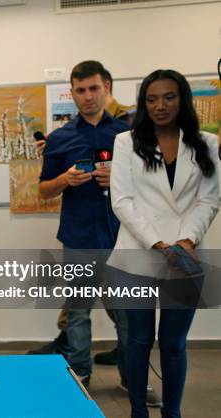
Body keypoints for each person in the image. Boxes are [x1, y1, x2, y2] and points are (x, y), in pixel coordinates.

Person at [109, 69, 219, 418]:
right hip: (137, 255)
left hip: (186, 254)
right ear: (143, 103)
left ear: (182, 99)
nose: (160, 105)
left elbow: (209, 199)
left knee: (173, 344)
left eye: (169, 97)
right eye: (152, 98)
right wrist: (159, 244)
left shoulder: (206, 143)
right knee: (138, 341)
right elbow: (122, 201)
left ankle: (172, 412)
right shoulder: (127, 142)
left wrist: (186, 240)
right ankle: (138, 411)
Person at [36, 60, 129, 389]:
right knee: (77, 313)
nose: (88, 96)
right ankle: (80, 375)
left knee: (127, 314)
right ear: (72, 94)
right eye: (80, 90)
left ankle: (133, 378)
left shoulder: (126, 136)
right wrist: (65, 178)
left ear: (106, 88)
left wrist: (116, 178)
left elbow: (146, 186)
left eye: (94, 88)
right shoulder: (59, 138)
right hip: (78, 239)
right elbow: (44, 189)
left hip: (122, 238)